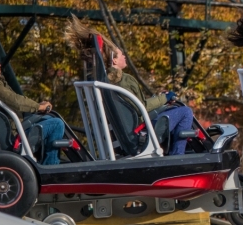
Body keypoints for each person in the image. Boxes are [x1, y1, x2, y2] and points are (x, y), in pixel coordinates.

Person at [65, 16, 195, 155]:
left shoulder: (103, 84)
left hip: (122, 139)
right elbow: (142, 107)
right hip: (138, 138)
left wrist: (160, 99)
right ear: (114, 61)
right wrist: (165, 97)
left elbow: (134, 106)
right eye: (121, 54)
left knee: (168, 109)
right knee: (185, 112)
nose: (125, 56)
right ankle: (177, 157)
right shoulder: (125, 80)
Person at [0, 52, 65, 165]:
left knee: (48, 118)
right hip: (14, 138)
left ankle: (45, 163)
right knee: (56, 123)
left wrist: (37, 106)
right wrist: (39, 107)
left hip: (11, 132)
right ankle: (51, 168)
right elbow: (16, 101)